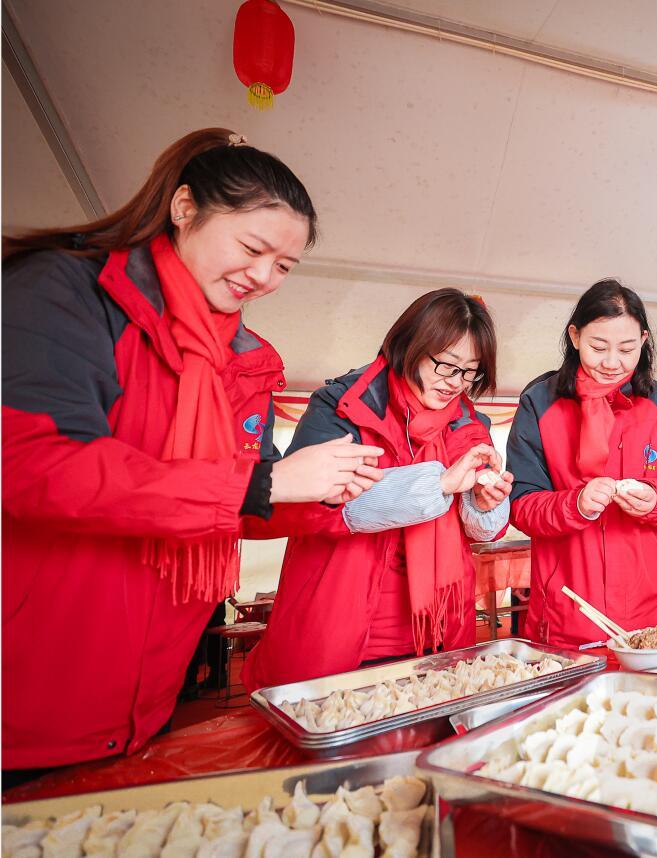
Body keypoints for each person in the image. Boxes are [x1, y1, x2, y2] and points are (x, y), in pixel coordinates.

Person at [1, 129, 384, 778]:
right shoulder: (67, 294)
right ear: (184, 209)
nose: (264, 277)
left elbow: (246, 506)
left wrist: (334, 496)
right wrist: (260, 484)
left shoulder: (249, 360)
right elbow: (34, 467)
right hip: (32, 685)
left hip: (146, 694)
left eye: (284, 267)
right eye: (252, 248)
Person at [244, 289, 510, 689]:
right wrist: (437, 484)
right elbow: (305, 510)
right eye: (446, 366)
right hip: (341, 625)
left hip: (437, 631)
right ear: (408, 346)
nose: (456, 383)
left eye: (470, 371)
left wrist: (484, 504)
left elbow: (475, 532)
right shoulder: (341, 407)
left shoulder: (469, 425)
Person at [507, 279, 657, 648]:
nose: (612, 362)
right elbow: (520, 504)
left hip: (654, 615)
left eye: (627, 348)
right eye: (598, 347)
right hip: (568, 611)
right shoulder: (539, 404)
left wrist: (656, 498)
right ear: (575, 337)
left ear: (644, 341)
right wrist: (573, 503)